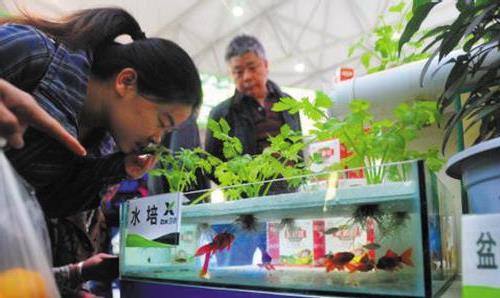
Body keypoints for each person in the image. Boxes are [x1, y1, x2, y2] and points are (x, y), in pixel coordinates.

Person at [1, 7, 202, 296]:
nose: (157, 138)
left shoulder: (102, 142)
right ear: (126, 81)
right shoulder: (32, 52)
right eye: (162, 122)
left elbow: (49, 204)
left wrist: (118, 169)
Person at [205, 34, 302, 194]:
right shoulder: (221, 114)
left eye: (252, 67)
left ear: (265, 64)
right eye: (238, 71)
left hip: (289, 196)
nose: (247, 77)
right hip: (247, 201)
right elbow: (211, 165)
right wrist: (239, 182)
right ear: (231, 74)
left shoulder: (289, 103)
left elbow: (298, 150)